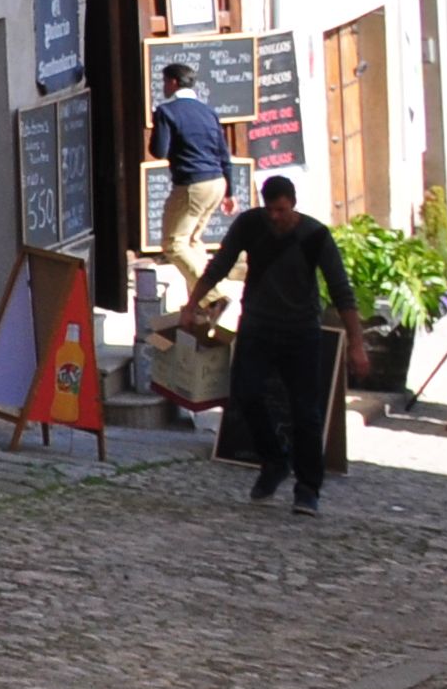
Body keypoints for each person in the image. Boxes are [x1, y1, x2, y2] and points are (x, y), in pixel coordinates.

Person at [189, 175, 362, 512]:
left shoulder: (315, 236)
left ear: (292, 205)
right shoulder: (251, 225)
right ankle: (274, 461)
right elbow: (220, 265)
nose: (275, 218)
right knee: (245, 394)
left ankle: (308, 487)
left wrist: (357, 342)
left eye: (281, 210)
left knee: (305, 412)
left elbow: (341, 290)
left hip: (301, 332)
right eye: (270, 210)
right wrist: (192, 305)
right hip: (258, 326)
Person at [148, 62, 232, 300]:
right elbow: (224, 153)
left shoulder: (167, 112)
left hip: (192, 184)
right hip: (217, 183)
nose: (163, 87)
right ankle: (199, 305)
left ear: (173, 82)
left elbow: (159, 151)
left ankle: (214, 297)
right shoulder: (208, 112)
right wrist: (232, 192)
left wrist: (158, 125)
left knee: (174, 244)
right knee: (193, 240)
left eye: (165, 82)